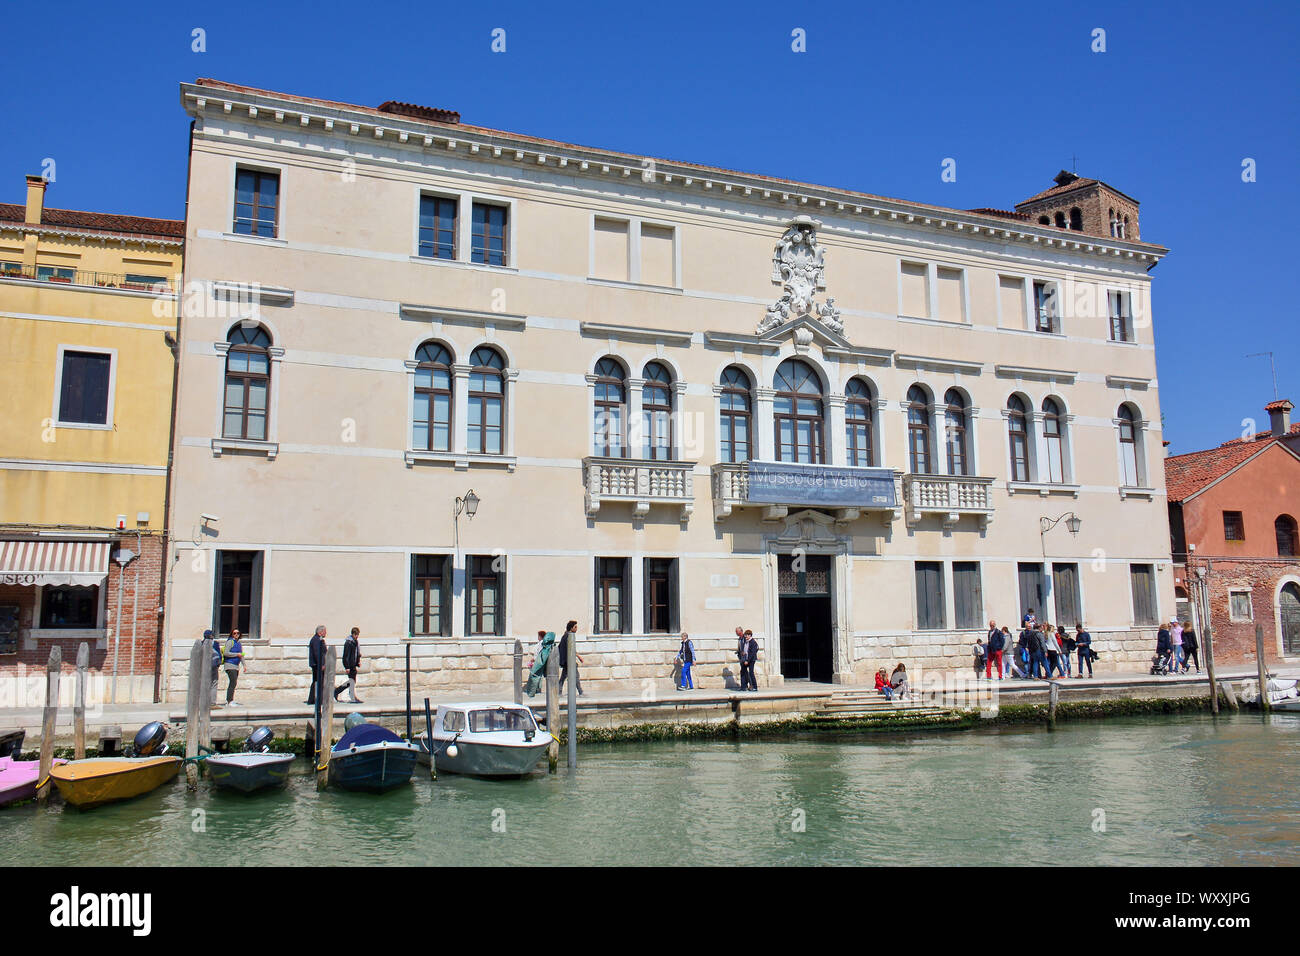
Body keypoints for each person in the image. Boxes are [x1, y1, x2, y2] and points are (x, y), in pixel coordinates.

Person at [335, 626, 363, 703]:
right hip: (350, 665)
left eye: (357, 635)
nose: (357, 636)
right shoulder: (348, 643)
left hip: (353, 664)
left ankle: (338, 692)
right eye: (355, 634)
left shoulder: (355, 642)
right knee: (351, 681)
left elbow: (357, 653)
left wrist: (358, 662)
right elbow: (346, 656)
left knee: (352, 681)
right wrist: (347, 667)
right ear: (352, 634)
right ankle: (351, 696)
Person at [523, 631, 555, 697]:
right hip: (542, 661)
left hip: (539, 661)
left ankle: (534, 690)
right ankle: (536, 689)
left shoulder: (543, 644)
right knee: (538, 675)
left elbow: (538, 653)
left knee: (535, 674)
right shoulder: (549, 645)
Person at [557, 620, 584, 696]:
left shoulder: (566, 635)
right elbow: (571, 649)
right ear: (571, 628)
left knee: (564, 677)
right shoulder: (568, 636)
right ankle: (580, 691)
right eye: (575, 627)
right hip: (568, 661)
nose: (576, 629)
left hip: (567, 661)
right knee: (575, 676)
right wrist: (579, 657)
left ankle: (559, 691)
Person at [306, 625, 328, 705]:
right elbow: (317, 653)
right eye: (324, 631)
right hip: (317, 665)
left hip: (318, 664)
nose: (326, 633)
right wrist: (321, 664)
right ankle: (316, 699)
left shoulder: (319, 640)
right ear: (320, 632)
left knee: (317, 681)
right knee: (318, 682)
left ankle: (313, 699)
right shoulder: (316, 640)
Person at [221, 629, 244, 705]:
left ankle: (231, 699)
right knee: (233, 682)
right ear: (232, 634)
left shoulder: (239, 643)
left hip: (236, 665)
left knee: (234, 683)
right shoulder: (230, 642)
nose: (236, 634)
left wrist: (244, 665)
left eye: (238, 633)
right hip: (229, 665)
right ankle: (229, 700)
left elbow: (241, 655)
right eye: (234, 633)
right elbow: (226, 653)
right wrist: (236, 654)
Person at [205, 629, 221, 704]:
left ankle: (204, 701)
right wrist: (218, 664)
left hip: (204, 667)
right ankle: (212, 702)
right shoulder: (215, 644)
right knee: (214, 683)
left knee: (205, 683)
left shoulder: (201, 643)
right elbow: (219, 655)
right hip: (214, 666)